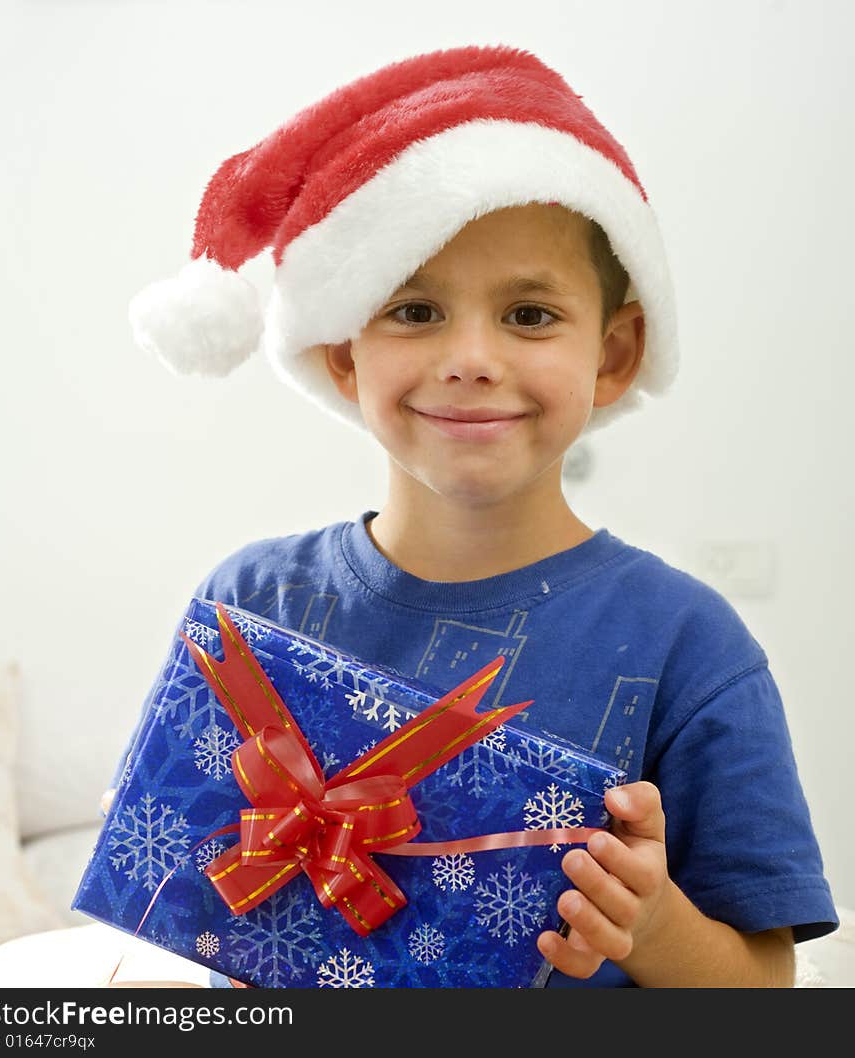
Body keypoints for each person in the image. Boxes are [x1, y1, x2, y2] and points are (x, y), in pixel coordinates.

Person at [107, 43, 838, 988]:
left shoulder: (688, 645)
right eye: (414, 311)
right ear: (344, 355)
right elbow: (182, 881)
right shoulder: (248, 601)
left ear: (612, 356)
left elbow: (766, 991)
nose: (470, 358)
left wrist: (652, 925)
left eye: (530, 315)